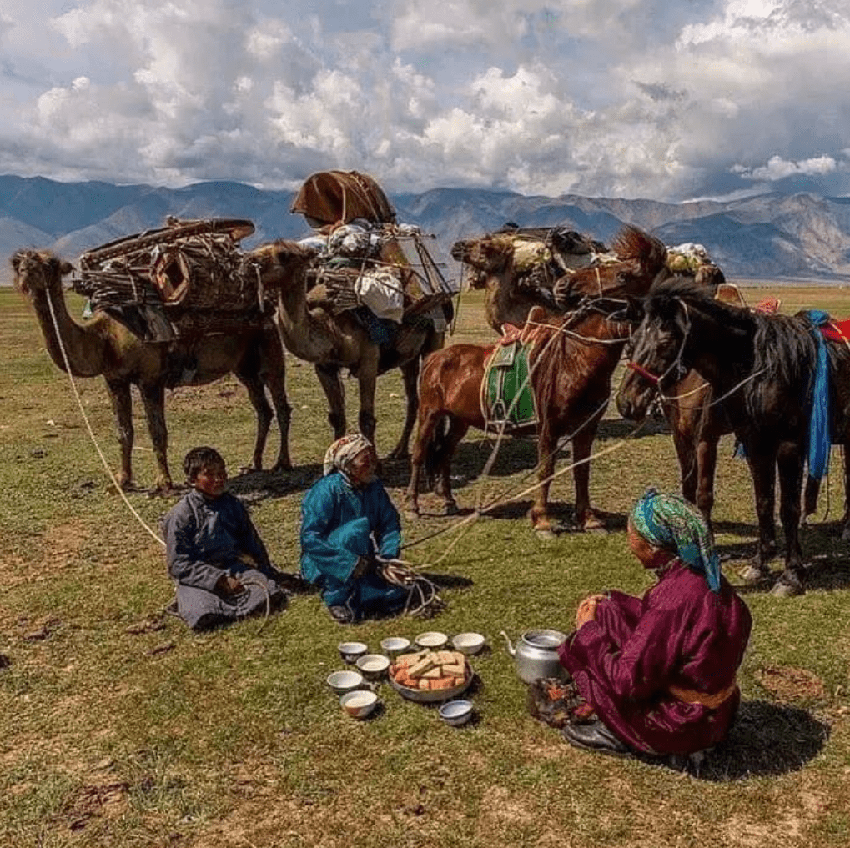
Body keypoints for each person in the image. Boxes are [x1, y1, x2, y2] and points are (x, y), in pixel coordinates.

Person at [550, 489, 752, 759]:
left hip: (684, 725)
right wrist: (614, 604)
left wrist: (588, 632)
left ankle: (620, 732)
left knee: (590, 656)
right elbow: (674, 627)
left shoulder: (672, 600)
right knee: (608, 612)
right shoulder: (706, 578)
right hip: (720, 713)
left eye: (632, 535)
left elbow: (625, 682)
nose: (629, 542)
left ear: (654, 547)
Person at [162, 446, 288, 630]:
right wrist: (218, 580)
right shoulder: (181, 514)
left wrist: (265, 569)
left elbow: (251, 542)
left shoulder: (233, 504)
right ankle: (205, 609)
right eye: (210, 475)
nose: (219, 479)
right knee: (203, 612)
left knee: (270, 592)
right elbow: (179, 564)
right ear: (192, 480)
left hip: (234, 568)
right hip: (199, 577)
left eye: (222, 472)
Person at [300, 434, 410, 624]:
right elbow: (310, 538)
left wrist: (388, 558)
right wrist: (349, 563)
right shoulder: (325, 491)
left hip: (362, 559)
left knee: (397, 593)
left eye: (373, 459)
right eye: (365, 462)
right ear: (347, 465)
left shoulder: (373, 486)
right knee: (355, 530)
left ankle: (365, 593)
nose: (373, 465)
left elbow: (389, 523)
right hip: (323, 562)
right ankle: (336, 598)